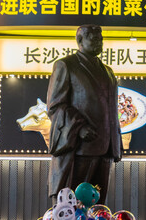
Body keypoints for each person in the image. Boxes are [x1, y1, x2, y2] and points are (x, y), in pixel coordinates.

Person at [47, 25, 121, 205]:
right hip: (79, 147)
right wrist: (79, 128)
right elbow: (55, 105)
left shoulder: (108, 72)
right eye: (93, 38)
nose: (99, 42)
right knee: (73, 201)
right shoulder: (66, 65)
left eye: (100, 38)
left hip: (106, 146)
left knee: (98, 202)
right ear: (80, 41)